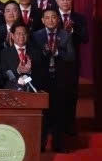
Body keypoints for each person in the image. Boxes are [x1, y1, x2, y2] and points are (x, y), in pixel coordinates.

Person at [32, 9, 77, 152]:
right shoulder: (36, 36)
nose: (50, 20)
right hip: (42, 79)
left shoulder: (65, 35)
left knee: (59, 111)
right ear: (42, 20)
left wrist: (57, 52)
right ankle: (41, 144)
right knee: (43, 112)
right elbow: (33, 56)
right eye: (47, 18)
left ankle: (58, 144)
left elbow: (71, 56)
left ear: (58, 19)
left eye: (53, 17)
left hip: (60, 79)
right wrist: (43, 52)